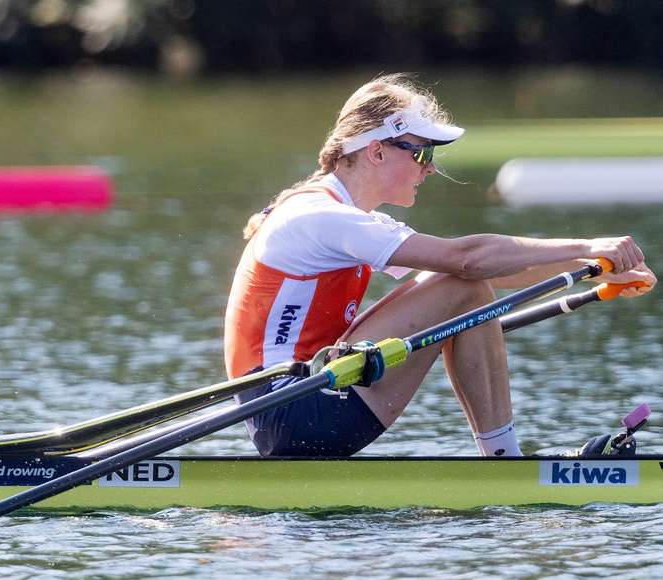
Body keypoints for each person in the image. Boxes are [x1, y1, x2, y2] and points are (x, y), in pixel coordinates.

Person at [223, 73, 656, 458]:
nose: (429, 169)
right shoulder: (323, 218)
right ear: (375, 152)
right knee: (463, 288)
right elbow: (466, 261)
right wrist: (586, 242)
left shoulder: (348, 216)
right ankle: (504, 461)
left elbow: (492, 269)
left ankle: (504, 461)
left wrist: (595, 264)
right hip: (294, 411)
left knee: (468, 289)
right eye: (422, 153)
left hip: (303, 400)